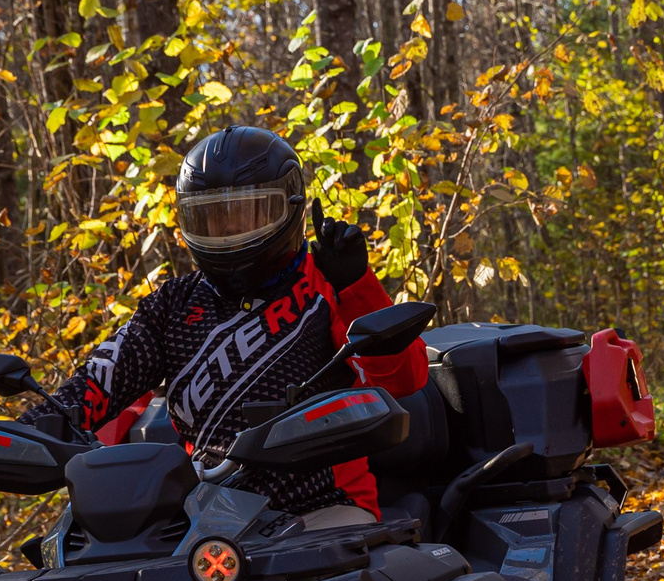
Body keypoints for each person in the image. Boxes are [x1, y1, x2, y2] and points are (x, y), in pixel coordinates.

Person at [35, 125, 426, 528]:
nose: (227, 233)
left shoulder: (327, 283)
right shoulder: (173, 304)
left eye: (245, 214)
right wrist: (43, 424)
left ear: (289, 208)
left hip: (321, 506)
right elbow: (104, 377)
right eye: (209, 219)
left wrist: (357, 285)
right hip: (207, 515)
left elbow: (404, 379)